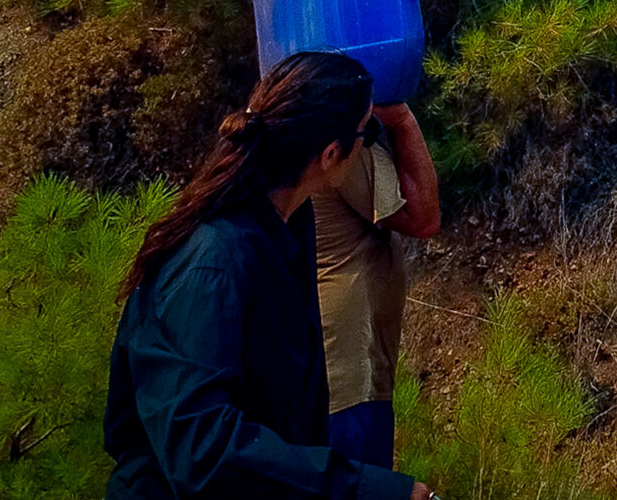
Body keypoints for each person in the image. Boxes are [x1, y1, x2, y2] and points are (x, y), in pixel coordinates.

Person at [104, 52, 431, 500]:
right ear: (331, 154)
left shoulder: (287, 226)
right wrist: (369, 491)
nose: (368, 144)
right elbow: (202, 450)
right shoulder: (212, 263)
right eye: (367, 133)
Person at [315, 100, 440, 467]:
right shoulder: (339, 149)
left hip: (317, 367)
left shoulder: (279, 142)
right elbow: (422, 217)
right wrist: (400, 119)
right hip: (349, 372)